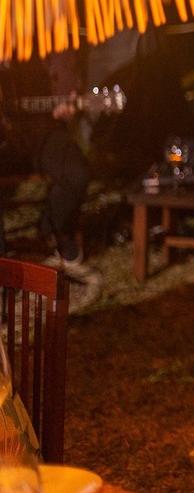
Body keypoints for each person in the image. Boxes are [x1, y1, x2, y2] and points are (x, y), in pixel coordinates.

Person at [0, 53, 104, 308]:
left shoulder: (45, 37)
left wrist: (68, 102)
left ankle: (50, 228)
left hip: (40, 135)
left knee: (77, 171)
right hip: (3, 140)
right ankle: (4, 277)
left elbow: (65, 73)